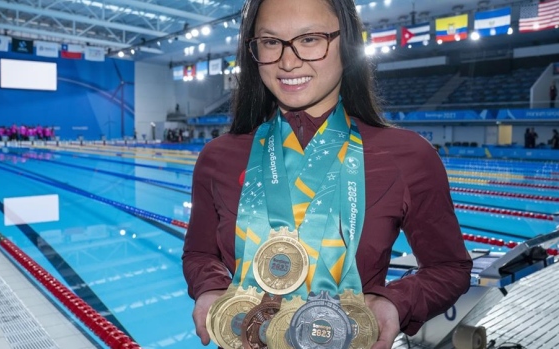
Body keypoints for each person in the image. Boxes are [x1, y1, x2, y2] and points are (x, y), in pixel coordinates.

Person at [182, 0, 472, 348]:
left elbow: (449, 267)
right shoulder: (218, 158)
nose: (288, 62)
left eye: (310, 39)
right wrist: (210, 288)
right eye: (271, 42)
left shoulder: (409, 156)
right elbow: (199, 253)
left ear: (347, 42)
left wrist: (395, 301)